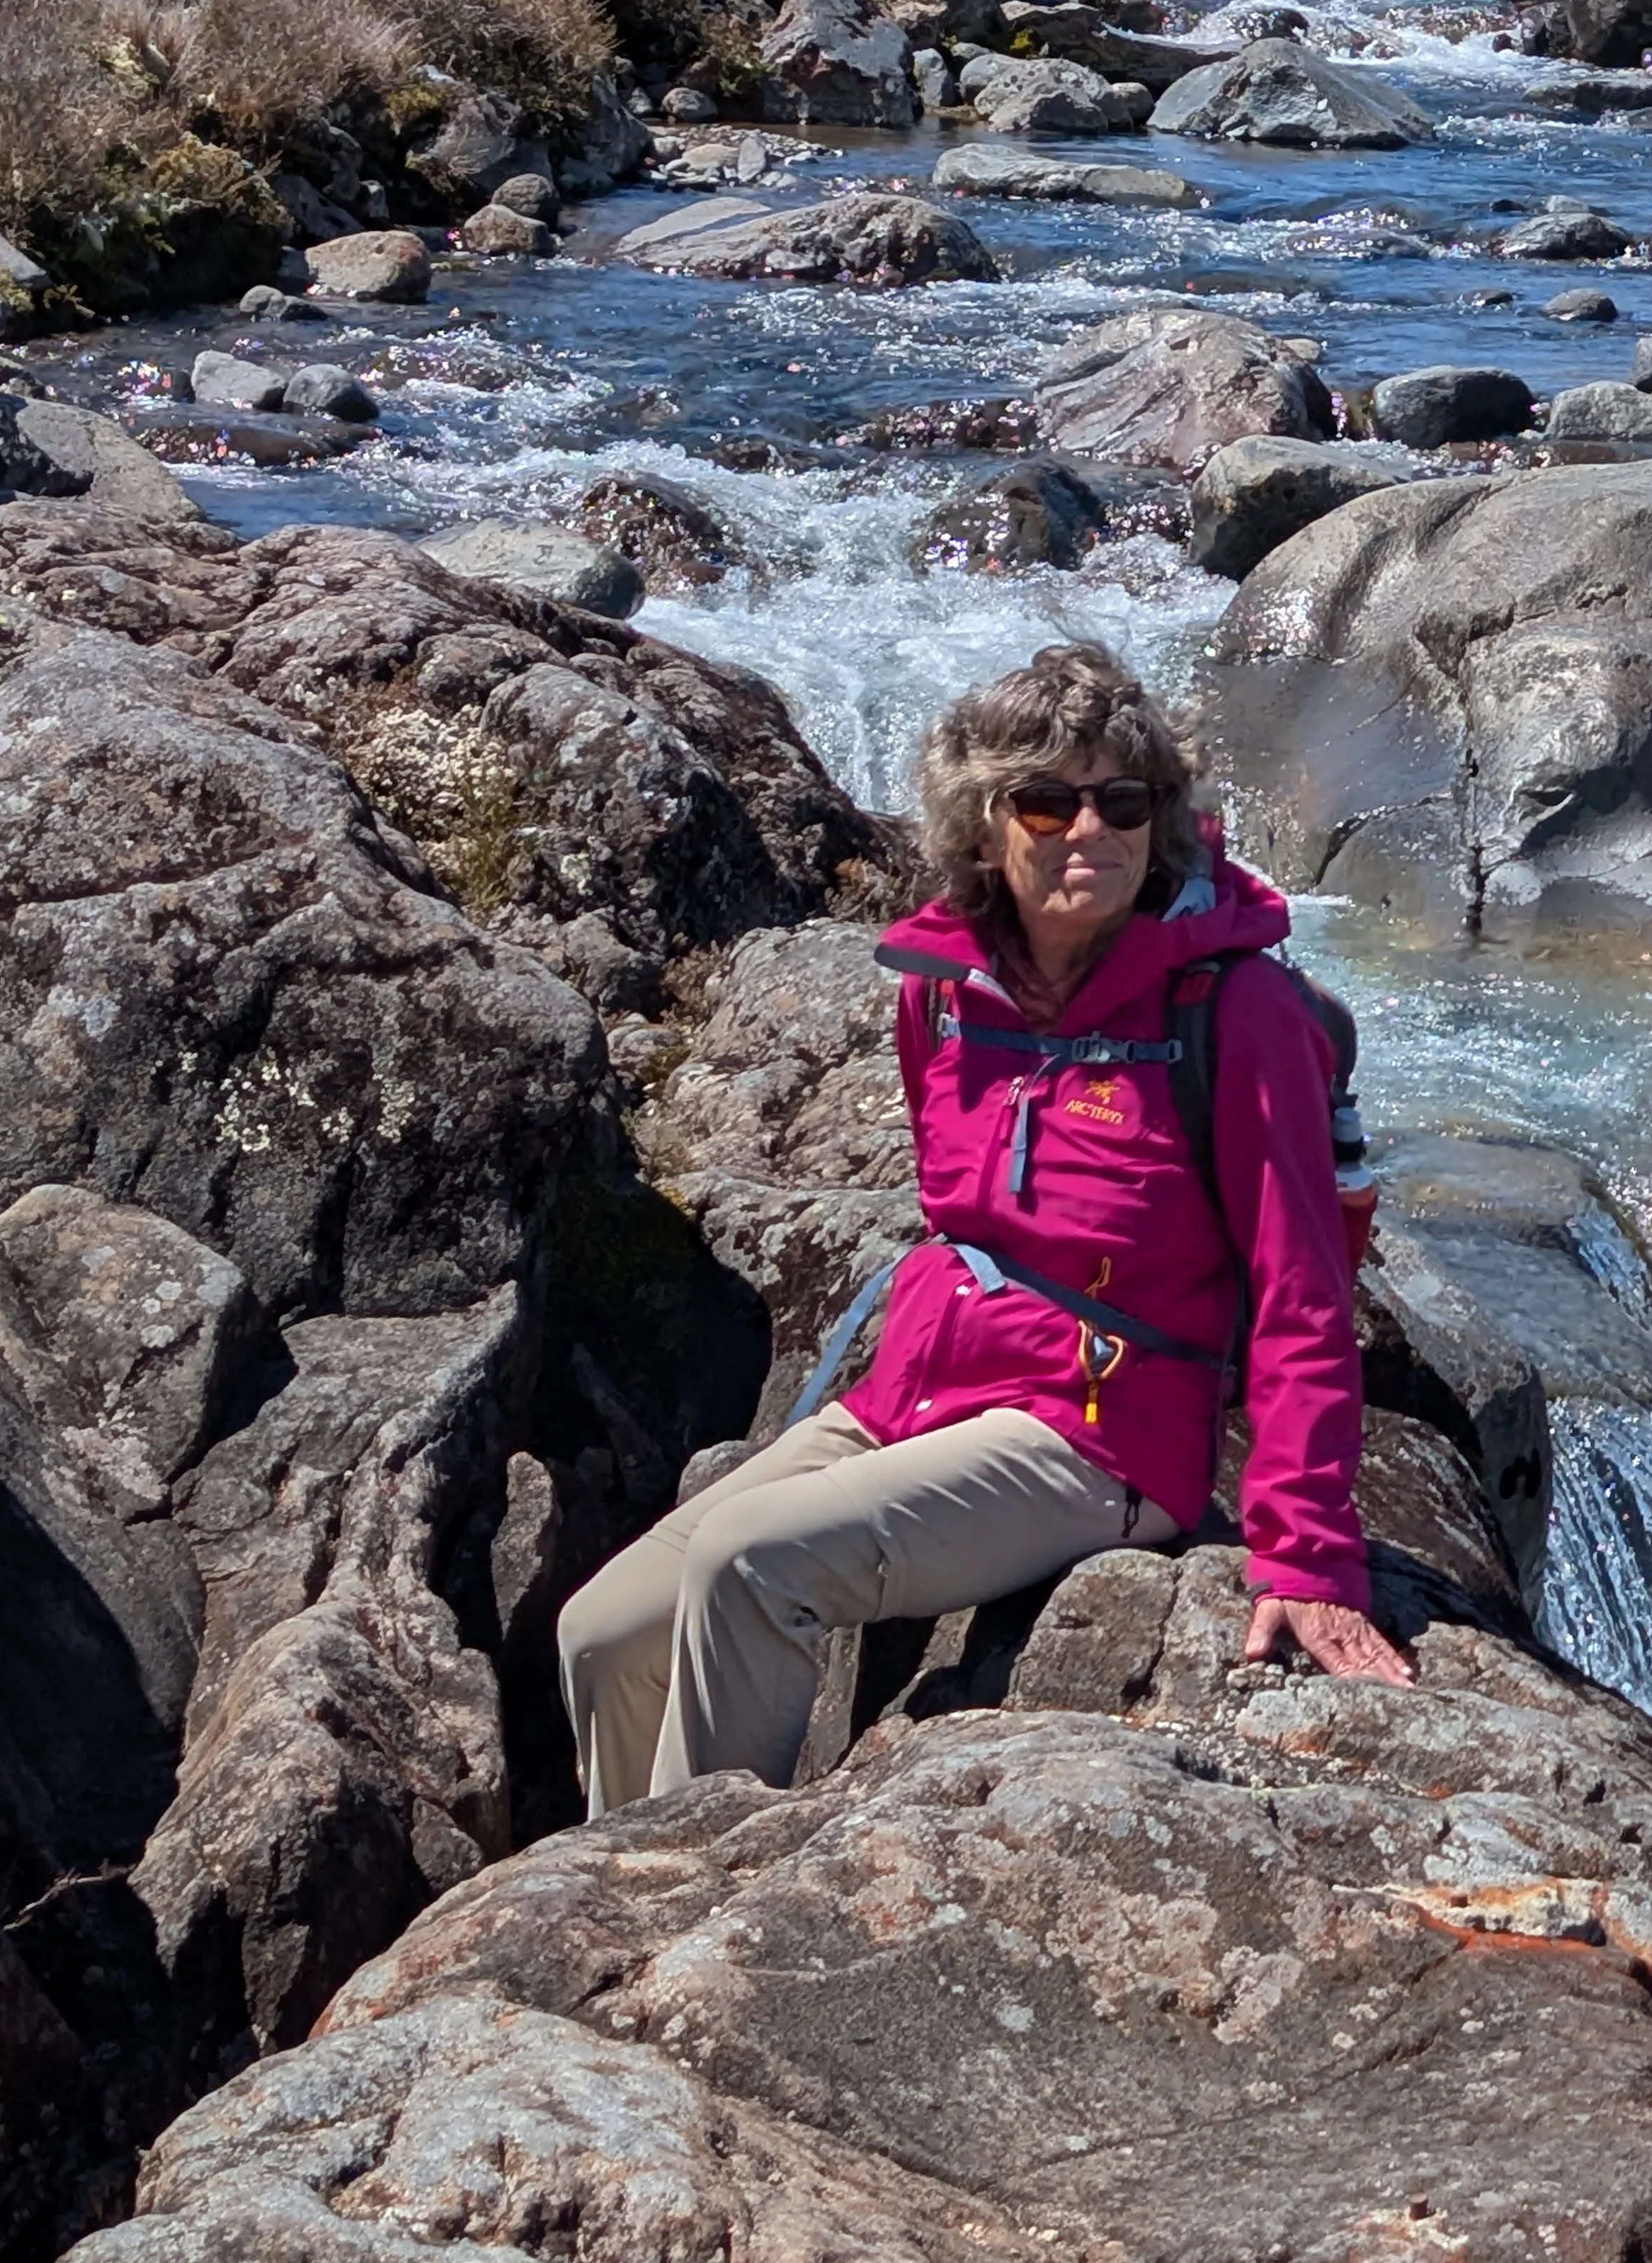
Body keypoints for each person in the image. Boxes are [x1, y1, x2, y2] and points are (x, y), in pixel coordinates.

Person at [557, 639, 1411, 1803]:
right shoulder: (943, 994)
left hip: (1102, 1429)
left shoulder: (1235, 1010)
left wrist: (1307, 1553)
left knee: (749, 1568)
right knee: (601, 1631)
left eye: (1123, 801)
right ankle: (612, 1872)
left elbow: (1301, 1288)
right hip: (925, 1395)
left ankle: (680, 1891)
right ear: (983, 823)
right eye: (1048, 799)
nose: (1089, 830)